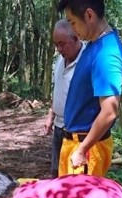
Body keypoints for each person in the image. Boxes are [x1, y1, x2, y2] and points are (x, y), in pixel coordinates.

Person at [57, 0, 122, 177]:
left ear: (89, 15)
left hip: (87, 149)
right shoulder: (95, 45)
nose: (73, 29)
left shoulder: (107, 55)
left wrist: (82, 149)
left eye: (72, 22)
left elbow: (109, 111)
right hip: (76, 143)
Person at [44, 19, 85, 178]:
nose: (59, 49)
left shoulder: (87, 61)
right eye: (56, 44)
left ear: (76, 38)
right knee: (56, 171)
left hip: (77, 130)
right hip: (59, 126)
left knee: (73, 175)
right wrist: (50, 115)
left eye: (62, 44)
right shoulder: (60, 59)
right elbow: (57, 88)